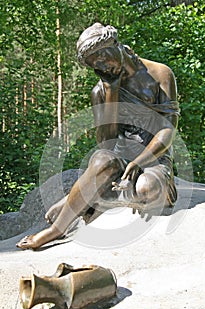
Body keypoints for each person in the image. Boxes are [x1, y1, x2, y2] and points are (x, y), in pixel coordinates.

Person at [16, 23, 180, 250]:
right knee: (102, 159)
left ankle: (86, 196)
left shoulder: (160, 74)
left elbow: (168, 130)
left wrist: (139, 162)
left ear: (115, 44)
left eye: (102, 56)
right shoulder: (100, 91)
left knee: (147, 189)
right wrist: (111, 92)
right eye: (96, 65)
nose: (103, 65)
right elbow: (106, 141)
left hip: (154, 156)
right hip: (120, 156)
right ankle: (57, 229)